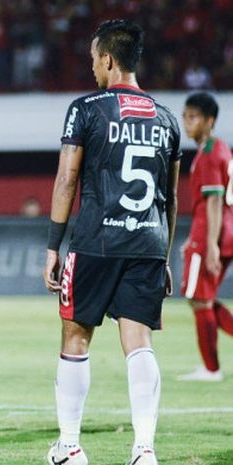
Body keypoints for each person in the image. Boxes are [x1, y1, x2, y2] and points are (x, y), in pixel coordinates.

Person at [43, 20, 181, 465]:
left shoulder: (87, 108)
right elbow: (171, 197)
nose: (91, 68)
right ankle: (144, 450)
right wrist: (163, 255)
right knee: (139, 342)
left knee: (75, 337)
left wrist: (52, 245)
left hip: (96, 241)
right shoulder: (167, 118)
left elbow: (67, 179)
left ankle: (70, 446)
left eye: (92, 60)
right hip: (148, 243)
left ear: (107, 59)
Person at [178, 92, 233, 382]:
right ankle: (210, 367)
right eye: (185, 116)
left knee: (199, 298)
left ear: (209, 121)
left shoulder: (211, 152)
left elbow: (214, 201)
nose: (187, 123)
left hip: (214, 233)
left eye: (194, 117)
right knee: (202, 298)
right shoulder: (218, 149)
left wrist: (209, 242)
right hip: (218, 231)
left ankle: (211, 369)